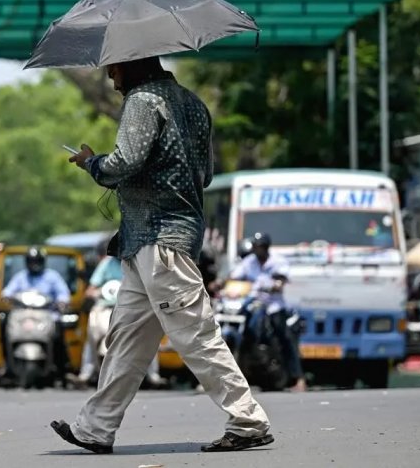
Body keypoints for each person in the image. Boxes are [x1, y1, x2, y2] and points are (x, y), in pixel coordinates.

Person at [52, 57, 272, 454]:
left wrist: (92, 163)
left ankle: (248, 419)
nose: (111, 78)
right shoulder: (194, 104)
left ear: (134, 66)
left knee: (196, 333)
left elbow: (124, 162)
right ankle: (96, 428)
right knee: (127, 338)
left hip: (160, 242)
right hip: (148, 242)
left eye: (115, 69)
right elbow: (202, 175)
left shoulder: (143, 99)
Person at [70, 255, 165, 388]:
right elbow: (91, 289)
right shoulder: (107, 264)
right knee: (92, 335)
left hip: (133, 307)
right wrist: (97, 293)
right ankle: (85, 374)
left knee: (148, 336)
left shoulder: (141, 262)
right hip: (106, 307)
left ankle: (153, 375)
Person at [230, 232, 306, 392]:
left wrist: (275, 285)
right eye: (256, 247)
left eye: (261, 247)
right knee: (242, 335)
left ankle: (298, 378)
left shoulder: (277, 262)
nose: (258, 250)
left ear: (266, 248)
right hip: (252, 304)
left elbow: (281, 280)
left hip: (273, 305)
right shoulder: (249, 262)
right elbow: (235, 277)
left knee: (285, 338)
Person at [1, 246, 71, 377]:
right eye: (32, 261)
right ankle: (6, 363)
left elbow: (63, 294)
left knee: (59, 334)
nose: (34, 264)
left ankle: (62, 369)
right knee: (4, 324)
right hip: (23, 314)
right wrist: (6, 296)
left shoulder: (52, 276)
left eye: (37, 261)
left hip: (47, 314)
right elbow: (8, 291)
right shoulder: (20, 277)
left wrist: (62, 301)